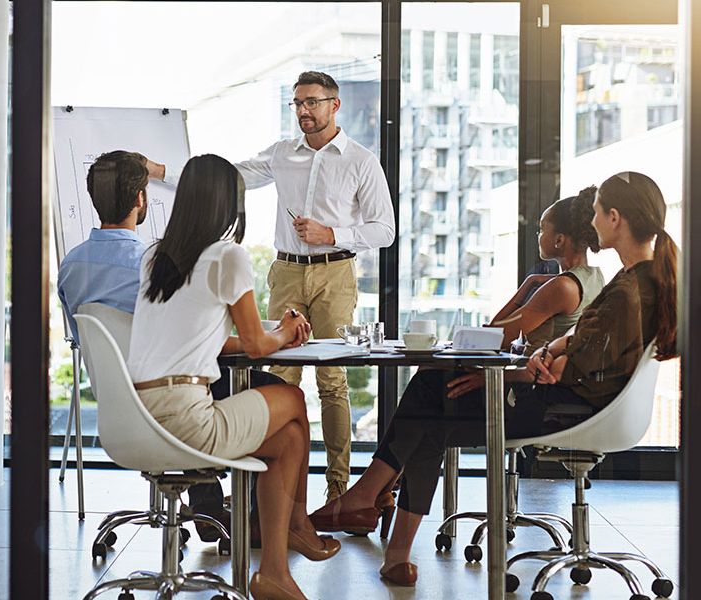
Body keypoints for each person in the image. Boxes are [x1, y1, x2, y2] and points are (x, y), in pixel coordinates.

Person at [309, 171, 678, 587]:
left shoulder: (630, 290)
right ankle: (386, 538)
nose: (591, 223)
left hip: (568, 410)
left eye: (596, 214)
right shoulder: (639, 280)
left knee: (432, 393)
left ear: (615, 218)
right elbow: (576, 343)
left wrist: (514, 373)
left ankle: (369, 505)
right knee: (433, 403)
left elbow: (566, 371)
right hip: (580, 405)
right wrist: (549, 350)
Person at [147, 71, 396, 503]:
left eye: (312, 102)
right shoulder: (282, 154)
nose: (303, 110)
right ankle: (274, 492)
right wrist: (159, 172)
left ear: (335, 105)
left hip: (335, 272)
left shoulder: (360, 159)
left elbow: (385, 230)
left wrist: (332, 234)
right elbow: (224, 177)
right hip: (287, 271)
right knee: (280, 374)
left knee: (333, 380)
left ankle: (337, 488)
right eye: (297, 103)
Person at [128, 154, 338, 600]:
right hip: (188, 420)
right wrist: (284, 332)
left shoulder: (155, 257)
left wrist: (273, 335)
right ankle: (292, 537)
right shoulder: (227, 255)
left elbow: (211, 341)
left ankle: (278, 570)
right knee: (292, 401)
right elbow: (258, 346)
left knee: (288, 441)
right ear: (229, 202)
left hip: (138, 417)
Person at [56, 150, 282, 543]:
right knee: (265, 389)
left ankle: (211, 505)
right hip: (168, 393)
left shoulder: (70, 265)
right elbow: (182, 343)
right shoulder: (154, 262)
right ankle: (242, 516)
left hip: (114, 402)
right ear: (142, 198)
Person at [442, 186, 606, 399]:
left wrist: (524, 290)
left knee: (430, 379)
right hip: (543, 384)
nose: (538, 236)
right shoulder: (594, 278)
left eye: (542, 229)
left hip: (533, 392)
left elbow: (494, 336)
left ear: (559, 240)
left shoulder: (561, 287)